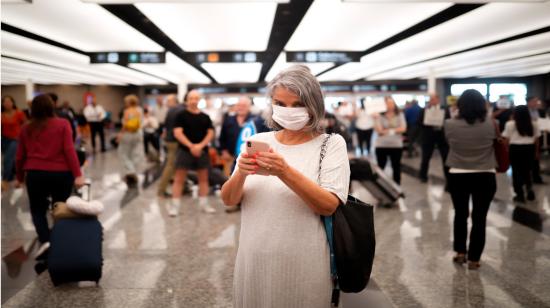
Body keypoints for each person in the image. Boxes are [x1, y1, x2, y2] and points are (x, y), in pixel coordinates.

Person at [221, 65, 350, 307]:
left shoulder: (330, 145)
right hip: (253, 260)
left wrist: (284, 172)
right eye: (280, 103)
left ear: (313, 105)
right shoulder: (258, 141)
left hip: (303, 263)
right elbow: (229, 199)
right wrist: (240, 173)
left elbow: (328, 206)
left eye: (297, 104)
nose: (288, 111)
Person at [15, 94, 84, 259]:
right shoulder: (63, 124)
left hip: (35, 174)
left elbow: (20, 157)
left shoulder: (26, 128)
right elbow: (69, 150)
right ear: (51, 107)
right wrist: (78, 175)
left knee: (37, 210)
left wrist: (19, 177)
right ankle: (59, 240)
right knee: (59, 208)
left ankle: (46, 240)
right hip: (61, 174)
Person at [444, 89, 497, 270]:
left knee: (460, 214)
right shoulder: (492, 123)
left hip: (458, 174)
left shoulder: (449, 124)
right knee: (479, 217)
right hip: (485, 174)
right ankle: (475, 258)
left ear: (459, 106)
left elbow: (449, 143)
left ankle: (460, 252)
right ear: (483, 105)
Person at [169, 89, 215, 216]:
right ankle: (175, 207)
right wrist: (191, 146)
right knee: (179, 179)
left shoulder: (205, 117)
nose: (193, 101)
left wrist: (200, 146)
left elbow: (210, 133)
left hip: (202, 151)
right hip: (184, 151)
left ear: (199, 100)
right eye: (191, 98)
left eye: (196, 98)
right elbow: (177, 133)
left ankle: (204, 204)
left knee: (203, 179)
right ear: (187, 100)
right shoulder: (180, 115)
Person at [502, 105, 540, 203]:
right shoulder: (534, 124)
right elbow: (536, 140)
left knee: (516, 172)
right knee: (527, 170)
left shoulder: (510, 124)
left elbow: (506, 140)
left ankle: (520, 194)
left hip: (515, 149)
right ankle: (529, 188)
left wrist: (506, 149)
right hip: (529, 149)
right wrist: (536, 152)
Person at [418, 94, 451, 187]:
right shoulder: (424, 110)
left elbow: (448, 121)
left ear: (438, 99)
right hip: (428, 137)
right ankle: (423, 176)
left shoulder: (444, 109)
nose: (432, 101)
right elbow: (419, 122)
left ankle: (449, 180)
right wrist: (427, 122)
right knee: (425, 158)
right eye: (431, 99)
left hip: (442, 137)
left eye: (434, 99)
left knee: (446, 159)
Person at [374, 96, 407, 184]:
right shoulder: (379, 116)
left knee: (396, 167)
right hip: (381, 145)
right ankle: (380, 186)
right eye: (387, 103)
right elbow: (379, 131)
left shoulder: (400, 114)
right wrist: (395, 130)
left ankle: (397, 187)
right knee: (380, 168)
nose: (389, 105)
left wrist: (387, 131)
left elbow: (403, 128)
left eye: (391, 103)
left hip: (396, 145)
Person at [157, 95, 184, 197]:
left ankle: (178, 185)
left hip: (170, 140)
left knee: (174, 165)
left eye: (168, 100)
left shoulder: (171, 110)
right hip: (174, 141)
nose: (167, 102)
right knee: (170, 165)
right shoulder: (178, 110)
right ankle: (161, 190)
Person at [219, 96, 254, 169]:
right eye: (238, 105)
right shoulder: (228, 120)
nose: (240, 108)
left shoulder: (255, 121)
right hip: (230, 157)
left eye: (244, 106)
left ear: (249, 107)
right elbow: (222, 137)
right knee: (230, 178)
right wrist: (224, 151)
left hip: (249, 158)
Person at [117, 95, 144, 186]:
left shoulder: (127, 111)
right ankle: (133, 172)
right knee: (135, 154)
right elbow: (140, 123)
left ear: (128, 102)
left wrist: (120, 134)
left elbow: (125, 124)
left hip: (128, 134)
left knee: (123, 153)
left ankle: (130, 171)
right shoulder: (139, 110)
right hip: (137, 134)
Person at [2, 96, 27, 191]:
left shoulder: (19, 113)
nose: (7, 103)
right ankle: (16, 178)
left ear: (13, 103)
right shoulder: (2, 115)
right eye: (5, 102)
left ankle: (5, 180)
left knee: (7, 159)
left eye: (9, 101)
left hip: (16, 139)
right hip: (4, 140)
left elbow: (26, 125)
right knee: (12, 160)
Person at [527, 96, 545, 184]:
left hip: (538, 135)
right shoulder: (524, 111)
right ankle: (527, 177)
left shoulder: (541, 111)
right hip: (528, 137)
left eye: (537, 101)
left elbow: (544, 122)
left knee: (536, 157)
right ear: (529, 102)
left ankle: (536, 177)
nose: (537, 103)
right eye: (534, 101)